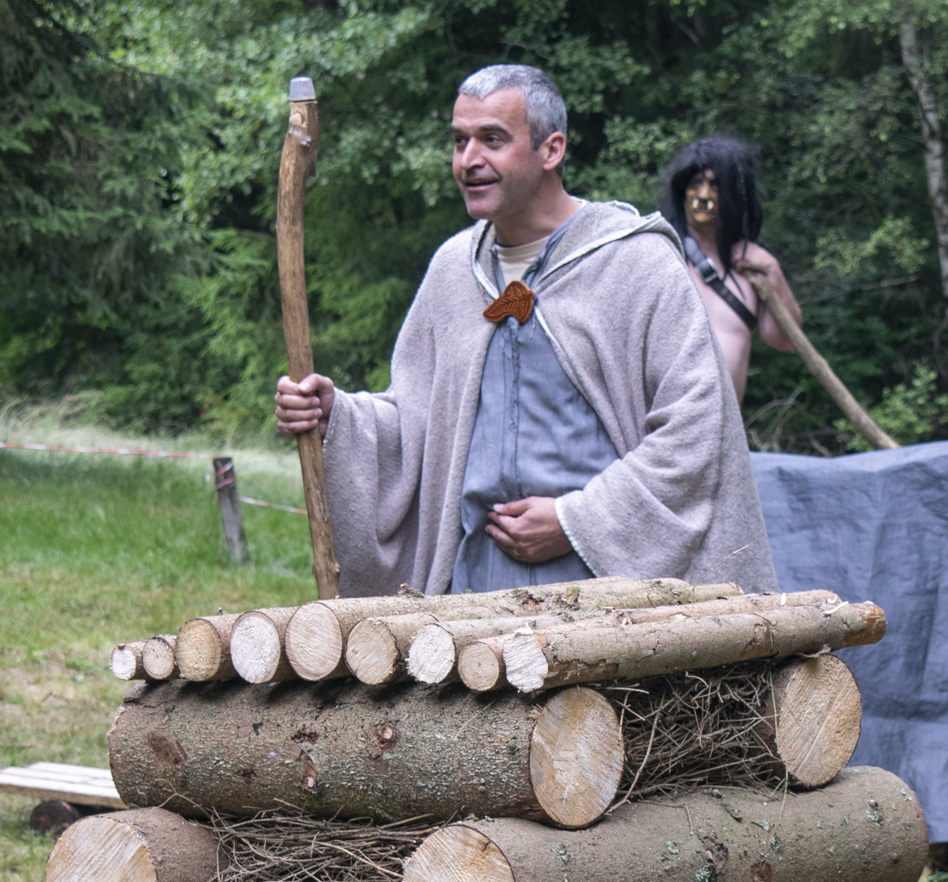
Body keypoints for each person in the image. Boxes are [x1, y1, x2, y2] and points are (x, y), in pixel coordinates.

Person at [276, 65, 776, 597]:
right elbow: (418, 427)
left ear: (551, 150)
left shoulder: (636, 265)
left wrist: (575, 520)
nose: (469, 160)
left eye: (492, 139)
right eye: (460, 141)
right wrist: (338, 417)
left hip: (614, 601)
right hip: (473, 598)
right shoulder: (454, 270)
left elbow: (696, 427)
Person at [660, 136, 803, 404]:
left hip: (726, 423)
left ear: (734, 195)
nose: (703, 195)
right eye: (695, 183)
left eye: (715, 185)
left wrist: (773, 271)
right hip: (665, 421)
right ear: (683, 192)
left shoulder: (753, 269)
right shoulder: (662, 257)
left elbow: (785, 340)